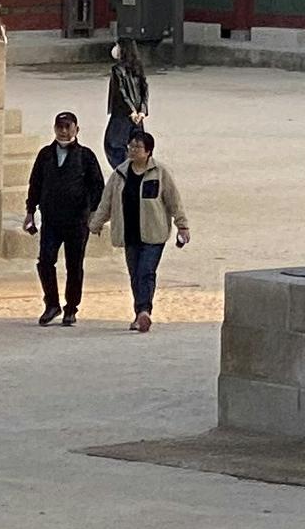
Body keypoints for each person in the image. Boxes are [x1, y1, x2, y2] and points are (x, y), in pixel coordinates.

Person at [22, 109, 104, 326]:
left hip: (77, 220)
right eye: (60, 127)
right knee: (45, 261)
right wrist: (30, 211)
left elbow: (98, 187)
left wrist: (94, 214)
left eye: (68, 127)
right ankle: (51, 304)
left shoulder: (86, 156)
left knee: (74, 265)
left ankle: (71, 308)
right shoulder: (45, 155)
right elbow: (35, 184)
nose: (64, 131)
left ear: (77, 129)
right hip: (51, 220)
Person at [108, 124, 191, 332]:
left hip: (154, 233)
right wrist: (96, 222)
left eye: (138, 147)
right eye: (131, 146)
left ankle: (144, 310)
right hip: (130, 233)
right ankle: (140, 312)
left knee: (146, 271)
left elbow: (174, 201)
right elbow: (107, 200)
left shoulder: (160, 173)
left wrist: (182, 225)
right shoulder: (120, 173)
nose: (133, 150)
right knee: (135, 274)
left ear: (148, 151)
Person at [102, 34, 150, 170]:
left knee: (113, 145)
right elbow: (145, 90)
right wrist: (142, 111)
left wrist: (132, 111)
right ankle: (135, 170)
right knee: (137, 146)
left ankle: (125, 172)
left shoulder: (117, 70)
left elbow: (121, 92)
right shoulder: (138, 67)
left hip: (123, 115)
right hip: (137, 117)